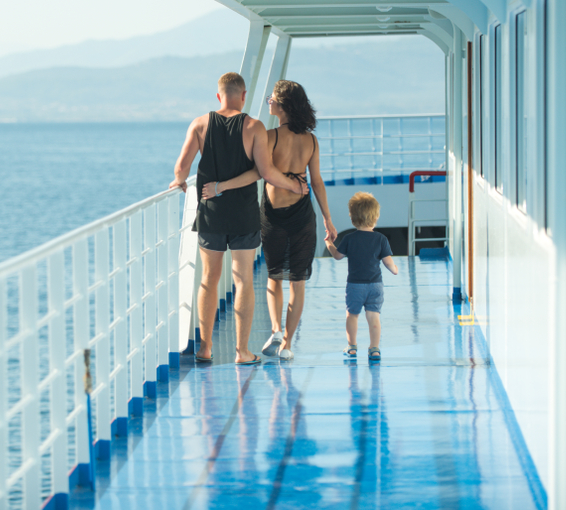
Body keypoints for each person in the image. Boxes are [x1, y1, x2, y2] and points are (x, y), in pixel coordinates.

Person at [170, 72, 308, 365]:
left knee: (208, 278)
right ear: (243, 95)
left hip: (211, 212)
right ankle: (242, 352)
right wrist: (295, 185)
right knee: (243, 280)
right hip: (244, 215)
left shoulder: (200, 124)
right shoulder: (254, 127)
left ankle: (205, 348)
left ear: (219, 95)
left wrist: (179, 182)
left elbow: (181, 167)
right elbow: (267, 173)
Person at [201, 80, 337, 361]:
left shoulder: (271, 136)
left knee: (274, 277)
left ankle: (276, 329)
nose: (269, 102)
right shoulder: (311, 140)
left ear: (283, 104)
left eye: (272, 99)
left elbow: (257, 173)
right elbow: (318, 183)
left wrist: (220, 186)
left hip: (273, 215)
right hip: (303, 214)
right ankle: (286, 343)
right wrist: (328, 219)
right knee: (297, 282)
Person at [325, 192, 398, 361]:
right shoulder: (381, 239)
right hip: (375, 286)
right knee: (374, 317)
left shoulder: (349, 238)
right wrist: (395, 269)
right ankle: (374, 349)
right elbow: (388, 263)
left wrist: (328, 242)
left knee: (352, 315)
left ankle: (351, 347)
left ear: (352, 218)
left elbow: (337, 256)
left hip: (355, 286)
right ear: (376, 216)